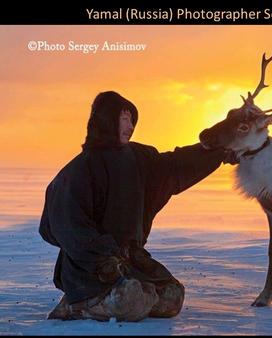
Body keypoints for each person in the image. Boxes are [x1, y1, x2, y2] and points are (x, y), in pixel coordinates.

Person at [39, 91, 231, 321]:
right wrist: (103, 257)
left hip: (130, 261)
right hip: (90, 268)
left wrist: (219, 150)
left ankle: (121, 298)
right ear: (107, 120)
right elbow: (63, 226)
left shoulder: (140, 158)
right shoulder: (79, 170)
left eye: (132, 120)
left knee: (172, 297)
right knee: (131, 301)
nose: (130, 126)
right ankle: (77, 305)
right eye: (124, 118)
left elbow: (174, 166)